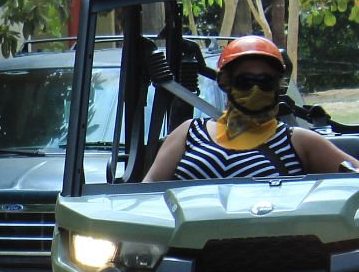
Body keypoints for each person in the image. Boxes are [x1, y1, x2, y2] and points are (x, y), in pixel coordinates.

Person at [144, 35, 359, 181]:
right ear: (225, 83)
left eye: (265, 82)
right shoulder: (189, 132)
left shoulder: (298, 141)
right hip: (183, 247)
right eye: (245, 82)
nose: (256, 90)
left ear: (277, 85)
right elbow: (148, 190)